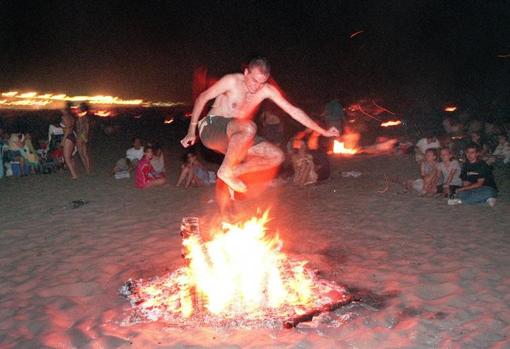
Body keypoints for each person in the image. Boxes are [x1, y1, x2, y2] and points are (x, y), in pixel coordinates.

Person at [180, 56, 339, 194]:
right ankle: (226, 171)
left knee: (276, 156)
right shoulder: (231, 81)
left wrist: (323, 131)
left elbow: (294, 111)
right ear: (246, 72)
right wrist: (191, 131)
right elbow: (202, 98)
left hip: (235, 136)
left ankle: (232, 172)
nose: (256, 86)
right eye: (254, 80)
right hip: (211, 128)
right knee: (249, 127)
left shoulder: (266, 90)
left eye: (261, 83)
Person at [61, 103, 78, 179]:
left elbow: (67, 129)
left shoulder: (64, 117)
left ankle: (74, 175)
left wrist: (63, 140)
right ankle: (73, 172)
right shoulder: (71, 117)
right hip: (72, 136)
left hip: (68, 137)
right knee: (70, 156)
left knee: (66, 157)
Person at [76, 102, 91, 175]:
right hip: (84, 136)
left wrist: (81, 135)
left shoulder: (80, 117)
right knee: (85, 153)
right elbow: (87, 128)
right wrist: (86, 136)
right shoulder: (86, 117)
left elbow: (80, 128)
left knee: (81, 154)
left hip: (80, 136)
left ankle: (86, 169)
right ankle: (88, 169)